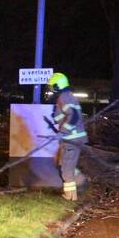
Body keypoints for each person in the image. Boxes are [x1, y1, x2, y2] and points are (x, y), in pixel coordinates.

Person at [46, 72, 88, 201]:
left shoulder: (65, 97)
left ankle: (70, 197)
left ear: (58, 86)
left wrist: (63, 132)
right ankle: (81, 180)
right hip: (71, 139)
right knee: (63, 164)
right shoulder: (65, 97)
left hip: (72, 139)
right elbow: (64, 116)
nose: (50, 89)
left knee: (67, 168)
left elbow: (74, 117)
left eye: (52, 86)